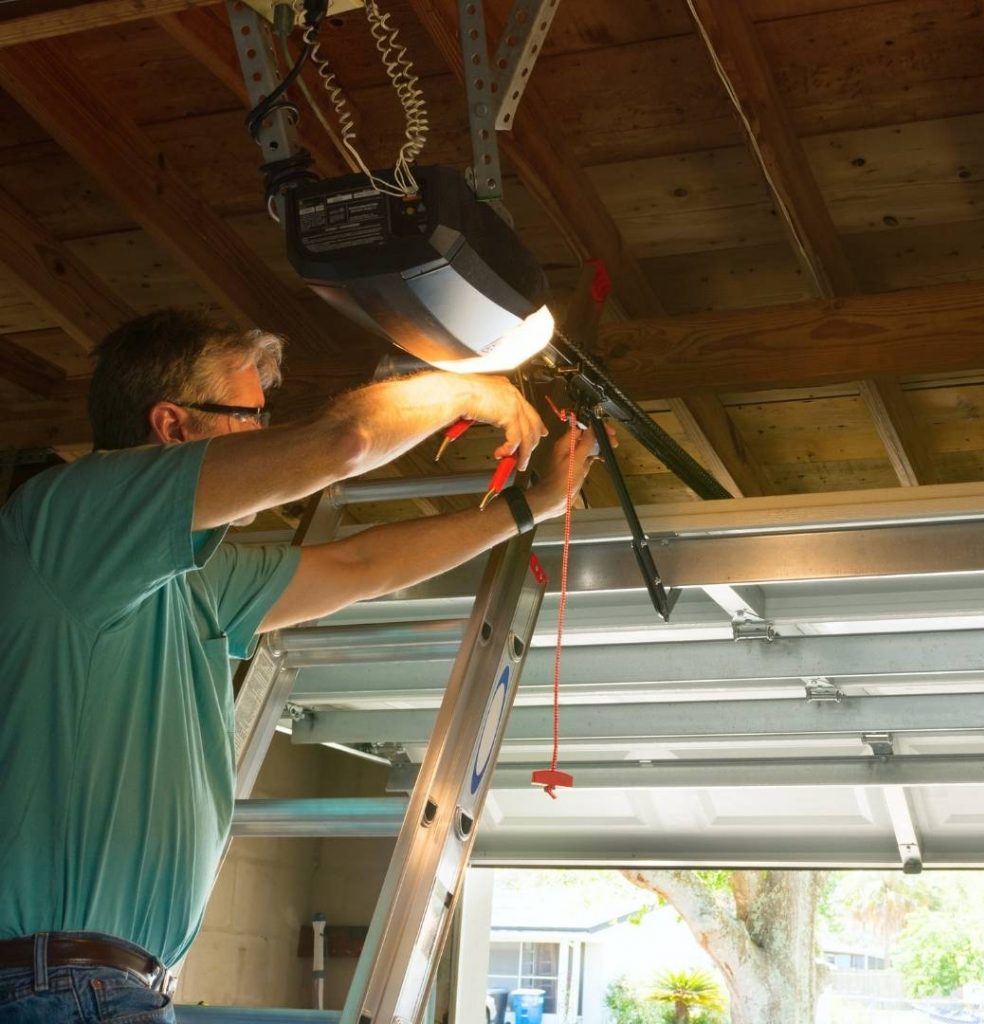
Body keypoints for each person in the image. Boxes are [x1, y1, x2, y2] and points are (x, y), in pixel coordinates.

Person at [0, 308, 602, 1023]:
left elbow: (361, 565)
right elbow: (341, 442)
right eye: (248, 417)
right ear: (172, 427)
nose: (263, 436)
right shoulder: (71, 519)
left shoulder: (191, 580)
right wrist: (468, 391)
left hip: (96, 986)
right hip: (62, 985)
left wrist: (528, 505)